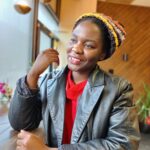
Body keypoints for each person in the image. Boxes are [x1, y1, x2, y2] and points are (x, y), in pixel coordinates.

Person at [9, 13, 140, 150]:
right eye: (73, 40)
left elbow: (124, 145)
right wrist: (32, 75)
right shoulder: (49, 82)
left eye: (89, 45)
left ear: (102, 54)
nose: (76, 49)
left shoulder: (119, 89)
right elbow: (21, 124)